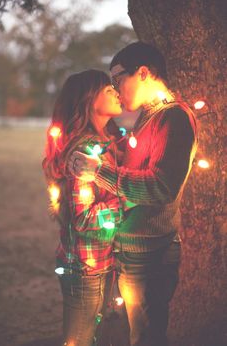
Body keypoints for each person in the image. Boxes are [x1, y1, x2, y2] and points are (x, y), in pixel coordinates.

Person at [68, 42, 198, 346]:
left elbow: (161, 187)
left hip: (150, 252)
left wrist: (97, 171)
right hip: (136, 248)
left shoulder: (174, 117)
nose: (115, 88)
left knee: (146, 337)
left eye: (117, 79)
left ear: (143, 73)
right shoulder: (150, 115)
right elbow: (134, 160)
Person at [42, 69, 124, 346]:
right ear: (88, 100)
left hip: (96, 263)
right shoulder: (88, 150)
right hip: (86, 267)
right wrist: (129, 202)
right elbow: (84, 218)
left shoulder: (107, 142)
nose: (116, 92)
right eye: (107, 89)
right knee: (79, 340)